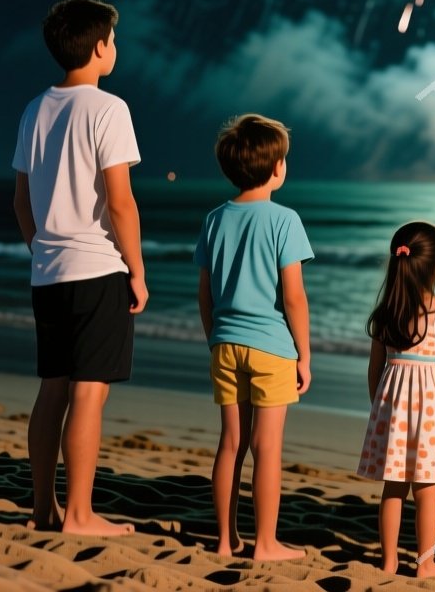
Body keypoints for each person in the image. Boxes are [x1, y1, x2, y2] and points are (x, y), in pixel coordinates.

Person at [11, 0, 147, 537]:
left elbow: (21, 204)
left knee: (53, 389)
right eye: (112, 39)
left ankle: (44, 509)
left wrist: (41, 249)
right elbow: (121, 203)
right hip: (97, 269)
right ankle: (81, 515)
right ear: (98, 47)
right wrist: (136, 270)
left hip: (48, 272)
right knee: (90, 392)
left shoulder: (34, 109)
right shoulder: (109, 108)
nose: (115, 48)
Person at [195, 114, 313, 560]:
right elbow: (295, 298)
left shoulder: (214, 220)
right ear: (277, 168)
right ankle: (265, 543)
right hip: (272, 348)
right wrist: (304, 355)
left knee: (230, 443)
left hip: (225, 345)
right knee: (267, 448)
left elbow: (204, 293)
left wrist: (215, 338)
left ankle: (226, 540)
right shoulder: (285, 221)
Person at [356, 221, 435, 577]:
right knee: (427, 490)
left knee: (393, 488)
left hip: (392, 408)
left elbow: (375, 371)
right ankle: (425, 563)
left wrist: (380, 407)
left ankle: (388, 561)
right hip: (431, 414)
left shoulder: (386, 310)